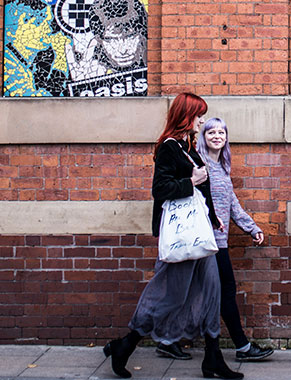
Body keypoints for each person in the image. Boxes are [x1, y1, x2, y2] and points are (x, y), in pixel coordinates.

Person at [103, 93, 242, 379]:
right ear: (185, 116)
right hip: (183, 236)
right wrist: (190, 181)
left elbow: (202, 192)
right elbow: (160, 189)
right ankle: (125, 346)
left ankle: (212, 358)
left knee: (213, 291)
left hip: (202, 233)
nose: (201, 120)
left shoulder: (186, 147)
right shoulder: (169, 148)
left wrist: (214, 218)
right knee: (169, 296)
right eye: (198, 115)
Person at [197, 117, 275, 362]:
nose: (217, 136)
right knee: (225, 291)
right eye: (212, 132)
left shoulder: (221, 167)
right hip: (206, 242)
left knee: (193, 292)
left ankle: (168, 342)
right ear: (204, 136)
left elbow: (232, 206)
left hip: (218, 241)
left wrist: (252, 228)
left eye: (222, 132)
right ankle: (241, 347)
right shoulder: (200, 165)